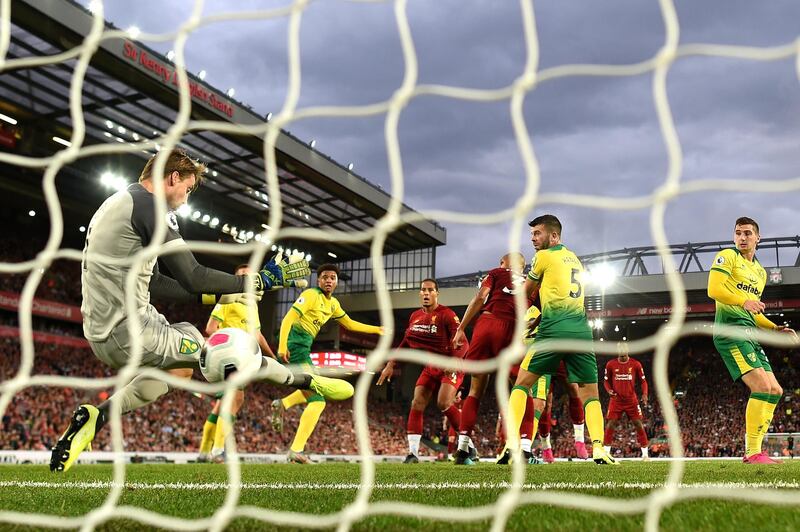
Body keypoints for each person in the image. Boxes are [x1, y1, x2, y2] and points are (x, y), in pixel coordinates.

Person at [50, 149, 348, 473]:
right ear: (173, 177)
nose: (185, 199)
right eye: (188, 189)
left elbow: (157, 284)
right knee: (228, 355)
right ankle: (307, 383)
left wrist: (215, 298)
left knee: (180, 365)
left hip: (111, 325)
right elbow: (193, 276)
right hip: (128, 330)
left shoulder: (121, 202)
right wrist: (257, 280)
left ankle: (96, 417)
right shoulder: (151, 207)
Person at [503, 214, 616, 465]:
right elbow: (562, 292)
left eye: (538, 233)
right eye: (532, 234)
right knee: (590, 394)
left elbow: (525, 293)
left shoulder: (543, 256)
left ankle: (512, 444)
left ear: (554, 236)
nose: (533, 239)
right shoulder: (574, 258)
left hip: (553, 331)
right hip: (581, 331)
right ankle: (598, 447)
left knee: (521, 384)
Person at [707, 216, 797, 464]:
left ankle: (756, 450)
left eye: (747, 233)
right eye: (738, 233)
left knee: (776, 390)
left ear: (758, 237)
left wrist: (775, 327)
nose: (742, 237)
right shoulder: (727, 256)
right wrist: (743, 300)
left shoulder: (759, 272)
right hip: (730, 331)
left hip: (749, 331)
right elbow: (714, 290)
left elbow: (753, 312)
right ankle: (752, 452)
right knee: (761, 387)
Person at [272, 263, 383, 464]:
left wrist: (376, 330)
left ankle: (283, 404)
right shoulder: (311, 295)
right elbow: (289, 318)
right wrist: (282, 346)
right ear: (318, 280)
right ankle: (295, 450)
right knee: (318, 401)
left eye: (332, 278)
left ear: (337, 281)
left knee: (311, 387)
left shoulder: (333, 304)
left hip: (304, 351)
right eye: (325, 277)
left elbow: (349, 324)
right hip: (294, 348)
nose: (329, 281)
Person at [377, 279, 468, 464]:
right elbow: (405, 341)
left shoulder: (447, 315)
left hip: (452, 365)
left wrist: (455, 361)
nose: (426, 293)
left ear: (437, 293)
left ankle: (469, 445)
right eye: (423, 290)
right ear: (420, 293)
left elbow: (463, 343)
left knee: (443, 403)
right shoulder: (415, 317)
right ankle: (413, 454)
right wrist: (391, 364)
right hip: (431, 367)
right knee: (417, 402)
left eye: (430, 290)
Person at [450, 252, 526, 465]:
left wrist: (461, 328)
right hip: (511, 330)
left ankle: (463, 448)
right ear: (522, 266)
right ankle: (523, 448)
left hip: (486, 323)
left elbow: (480, 298)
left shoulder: (495, 273)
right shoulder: (530, 282)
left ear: (503, 263)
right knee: (519, 388)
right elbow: (540, 312)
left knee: (475, 390)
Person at [198, 264, 276, 463]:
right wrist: (226, 347)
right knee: (235, 400)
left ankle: (204, 453)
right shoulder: (227, 300)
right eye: (241, 275)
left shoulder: (252, 306)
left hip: (242, 359)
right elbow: (210, 328)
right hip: (230, 359)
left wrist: (272, 357)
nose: (246, 279)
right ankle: (217, 451)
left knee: (221, 406)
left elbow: (257, 335)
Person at [603, 342, 649, 460]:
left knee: (638, 424)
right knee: (610, 424)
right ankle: (606, 453)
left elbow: (643, 381)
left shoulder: (635, 364)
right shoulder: (611, 364)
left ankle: (645, 455)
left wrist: (644, 394)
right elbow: (606, 381)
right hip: (616, 400)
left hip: (631, 401)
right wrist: (609, 390)